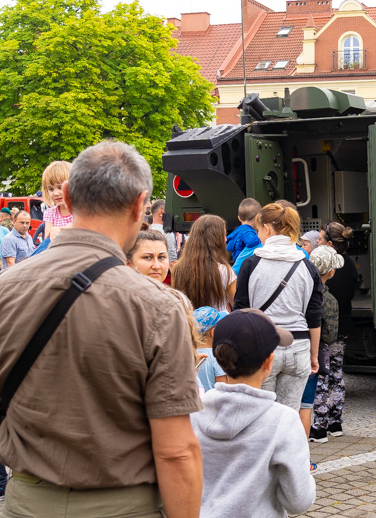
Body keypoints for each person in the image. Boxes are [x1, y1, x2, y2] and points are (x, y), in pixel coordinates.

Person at [0, 141, 202, 518]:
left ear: (68, 199)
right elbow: (176, 451)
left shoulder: (7, 288)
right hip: (124, 505)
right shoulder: (157, 305)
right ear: (141, 206)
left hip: (26, 502)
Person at [191, 309, 315, 518]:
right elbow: (298, 501)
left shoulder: (194, 413)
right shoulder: (283, 420)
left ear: (219, 359)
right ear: (268, 362)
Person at [234, 202, 323, 412]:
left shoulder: (251, 264)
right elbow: (314, 315)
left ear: (266, 228)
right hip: (299, 346)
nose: (258, 236)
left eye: (258, 230)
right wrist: (313, 354)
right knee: (290, 416)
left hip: (262, 346)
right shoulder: (308, 266)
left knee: (261, 415)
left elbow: (241, 310)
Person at [309, 245, 344, 444]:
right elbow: (331, 335)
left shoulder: (303, 290)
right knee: (326, 382)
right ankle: (323, 427)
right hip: (321, 347)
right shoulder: (329, 299)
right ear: (331, 272)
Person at [172, 214, 237, 312]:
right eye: (223, 234)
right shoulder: (225, 271)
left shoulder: (178, 269)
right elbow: (236, 304)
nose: (225, 239)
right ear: (215, 239)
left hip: (190, 324)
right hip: (219, 324)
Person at [193, 306, 228, 392]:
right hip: (213, 404)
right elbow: (223, 390)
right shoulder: (217, 357)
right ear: (213, 332)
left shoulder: (189, 354)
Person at [41, 160, 73, 239]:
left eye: (60, 187)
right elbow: (46, 240)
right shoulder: (50, 213)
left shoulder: (83, 211)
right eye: (51, 189)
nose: (56, 193)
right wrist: (52, 231)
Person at [227, 197, 263, 264]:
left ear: (239, 218)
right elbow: (253, 242)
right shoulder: (247, 232)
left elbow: (229, 247)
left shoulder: (236, 231)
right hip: (244, 264)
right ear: (257, 217)